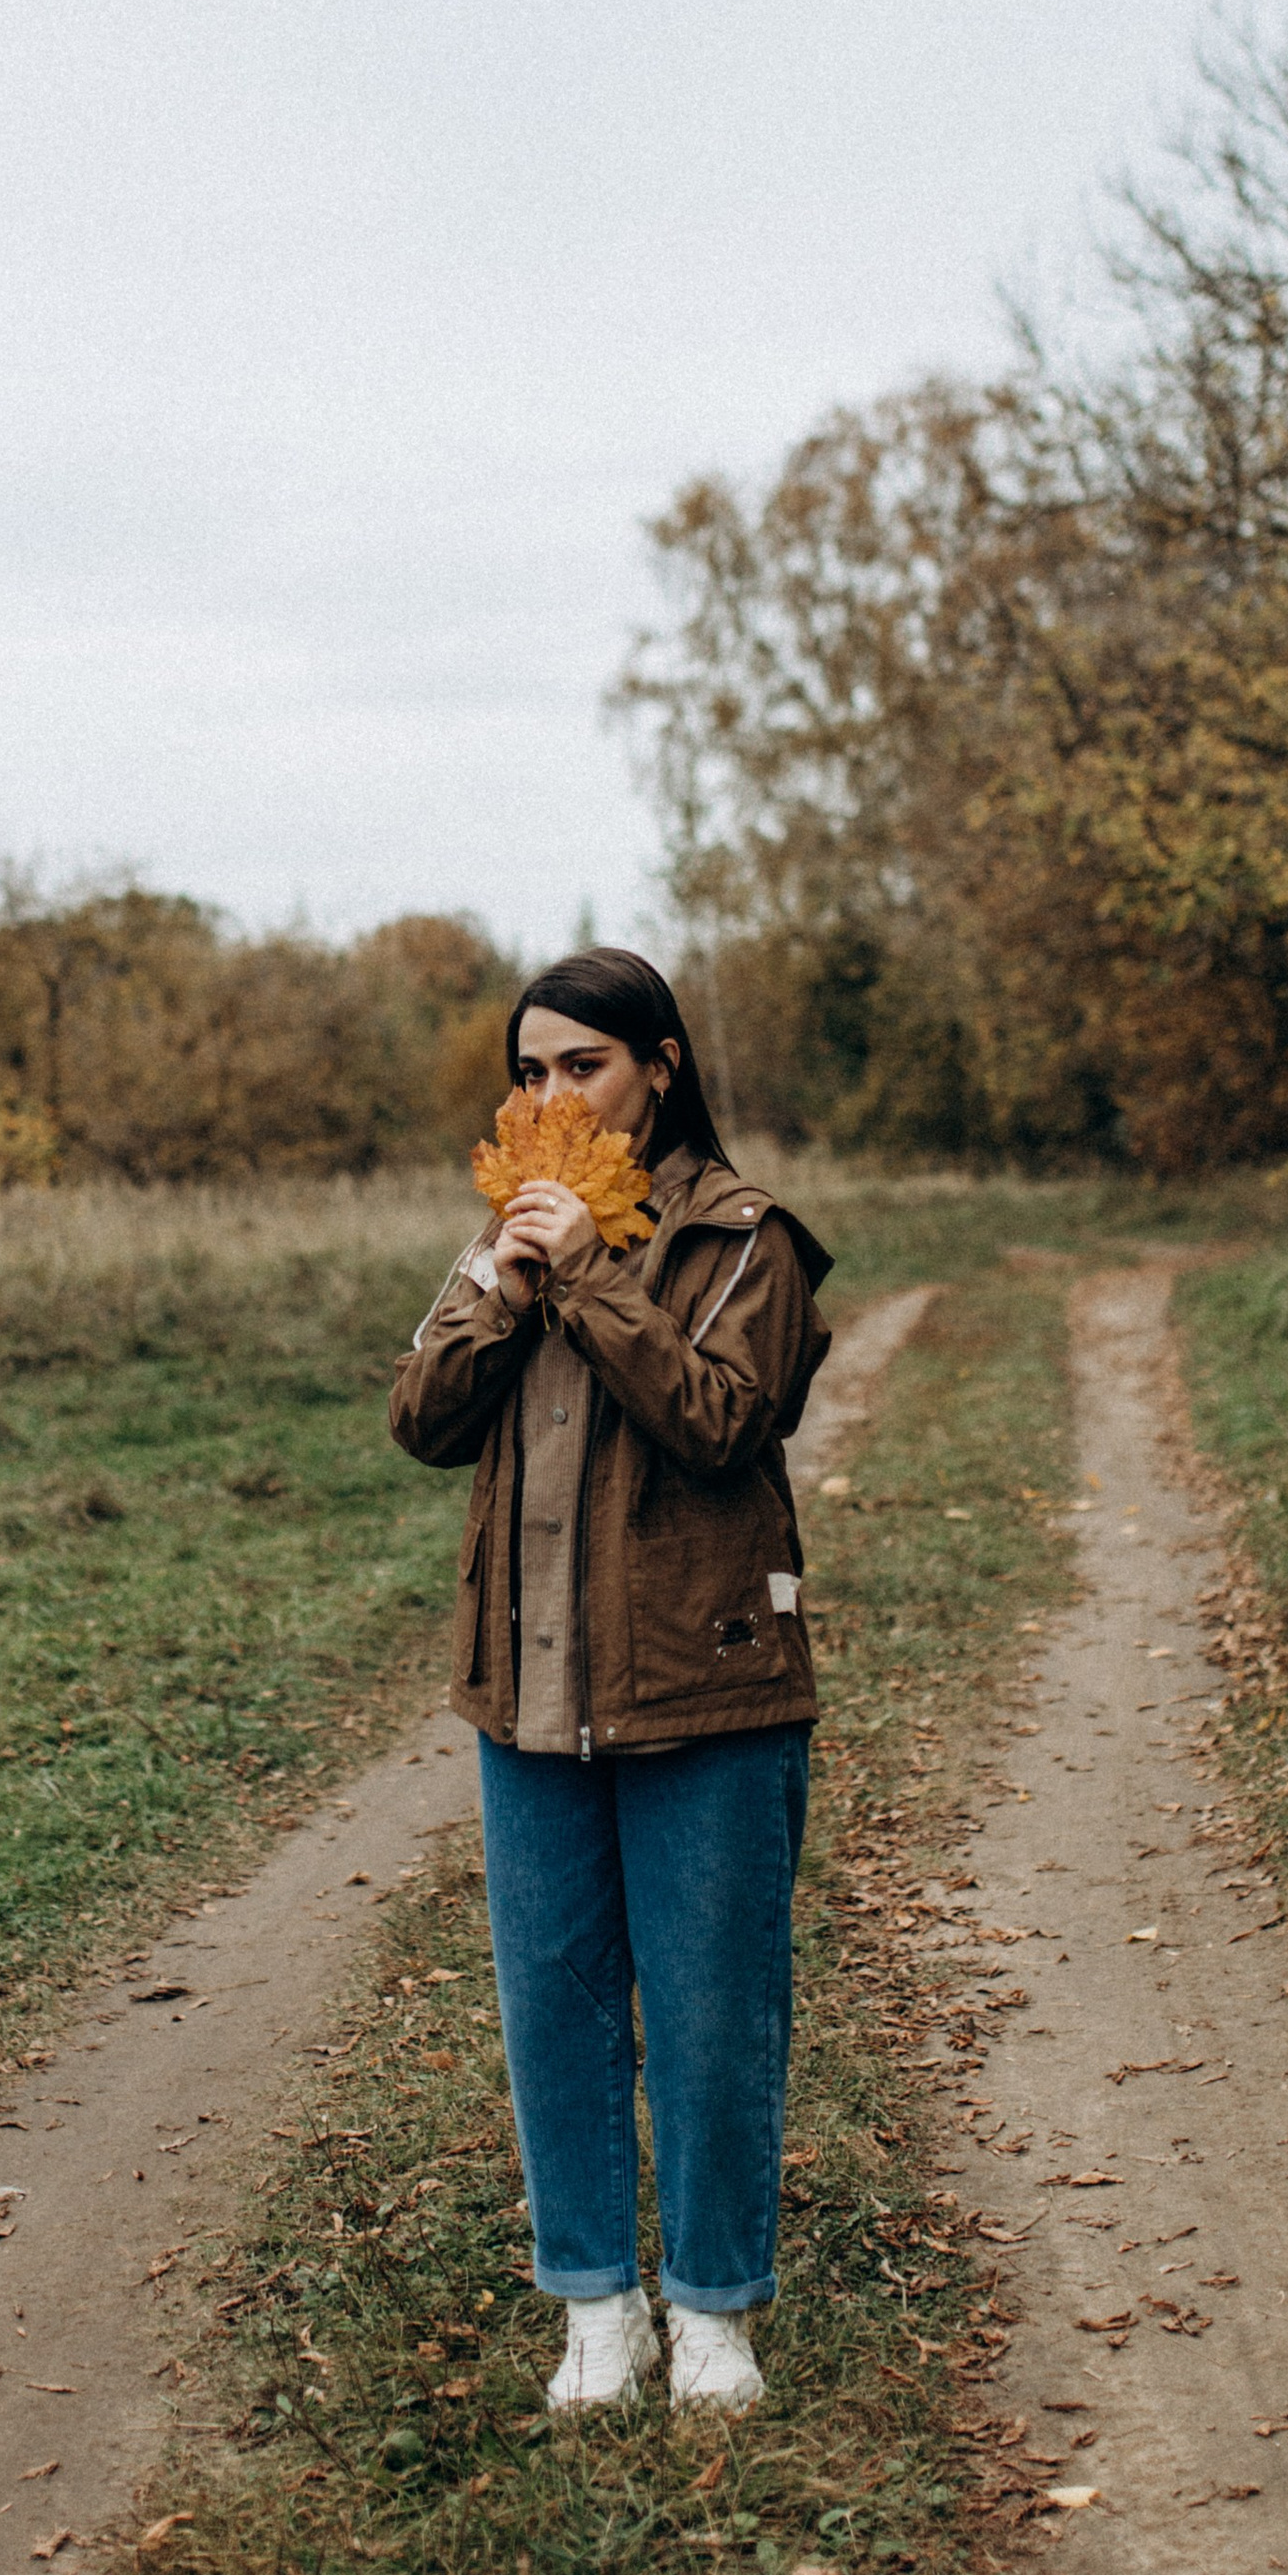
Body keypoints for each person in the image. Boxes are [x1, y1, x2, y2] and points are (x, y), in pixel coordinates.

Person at [390, 948, 832, 2416]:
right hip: (530, 1687)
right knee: (555, 2002)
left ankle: (714, 2312)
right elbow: (420, 1422)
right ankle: (597, 2308)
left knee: (713, 2008)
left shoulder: (744, 1240)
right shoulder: (509, 1232)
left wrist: (589, 1271)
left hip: (706, 1686)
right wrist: (502, 1288)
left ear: (663, 1064)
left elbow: (720, 1422)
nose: (552, 1095)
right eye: (530, 1071)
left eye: (582, 1064)